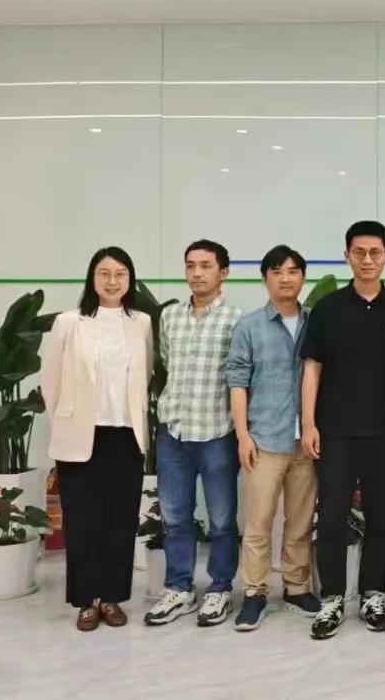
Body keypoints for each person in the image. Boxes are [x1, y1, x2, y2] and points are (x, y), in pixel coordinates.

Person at [300, 221, 385, 640]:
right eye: (359, 252)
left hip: (384, 435)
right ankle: (332, 598)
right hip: (334, 433)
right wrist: (309, 423)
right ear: (347, 256)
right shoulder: (328, 309)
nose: (367, 260)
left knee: (381, 519)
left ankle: (373, 596)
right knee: (332, 518)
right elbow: (312, 368)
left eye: (375, 252)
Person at [42, 247, 153, 631]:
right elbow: (50, 381)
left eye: (120, 273)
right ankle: (86, 601)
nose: (112, 281)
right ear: (92, 278)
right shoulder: (69, 322)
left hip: (125, 434)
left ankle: (111, 598)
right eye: (104, 273)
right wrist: (66, 419)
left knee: (120, 521)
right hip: (80, 437)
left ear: (130, 279)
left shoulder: (141, 322)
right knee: (83, 521)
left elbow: (145, 374)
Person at [145, 240, 244, 627]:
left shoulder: (236, 319)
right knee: (174, 518)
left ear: (224, 272)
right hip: (174, 432)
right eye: (190, 265)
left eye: (206, 265)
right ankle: (180, 589)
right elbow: (166, 362)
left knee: (221, 520)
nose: (197, 273)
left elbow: (240, 377)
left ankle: (220, 589)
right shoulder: (169, 317)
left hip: (217, 432)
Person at [226, 245, 320, 632]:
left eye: (293, 271)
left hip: (307, 443)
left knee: (300, 522)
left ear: (303, 278)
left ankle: (296, 587)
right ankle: (255, 591)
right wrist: (242, 435)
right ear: (265, 278)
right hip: (264, 440)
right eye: (277, 271)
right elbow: (237, 382)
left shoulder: (317, 322)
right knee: (258, 523)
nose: (286, 278)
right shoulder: (250, 326)